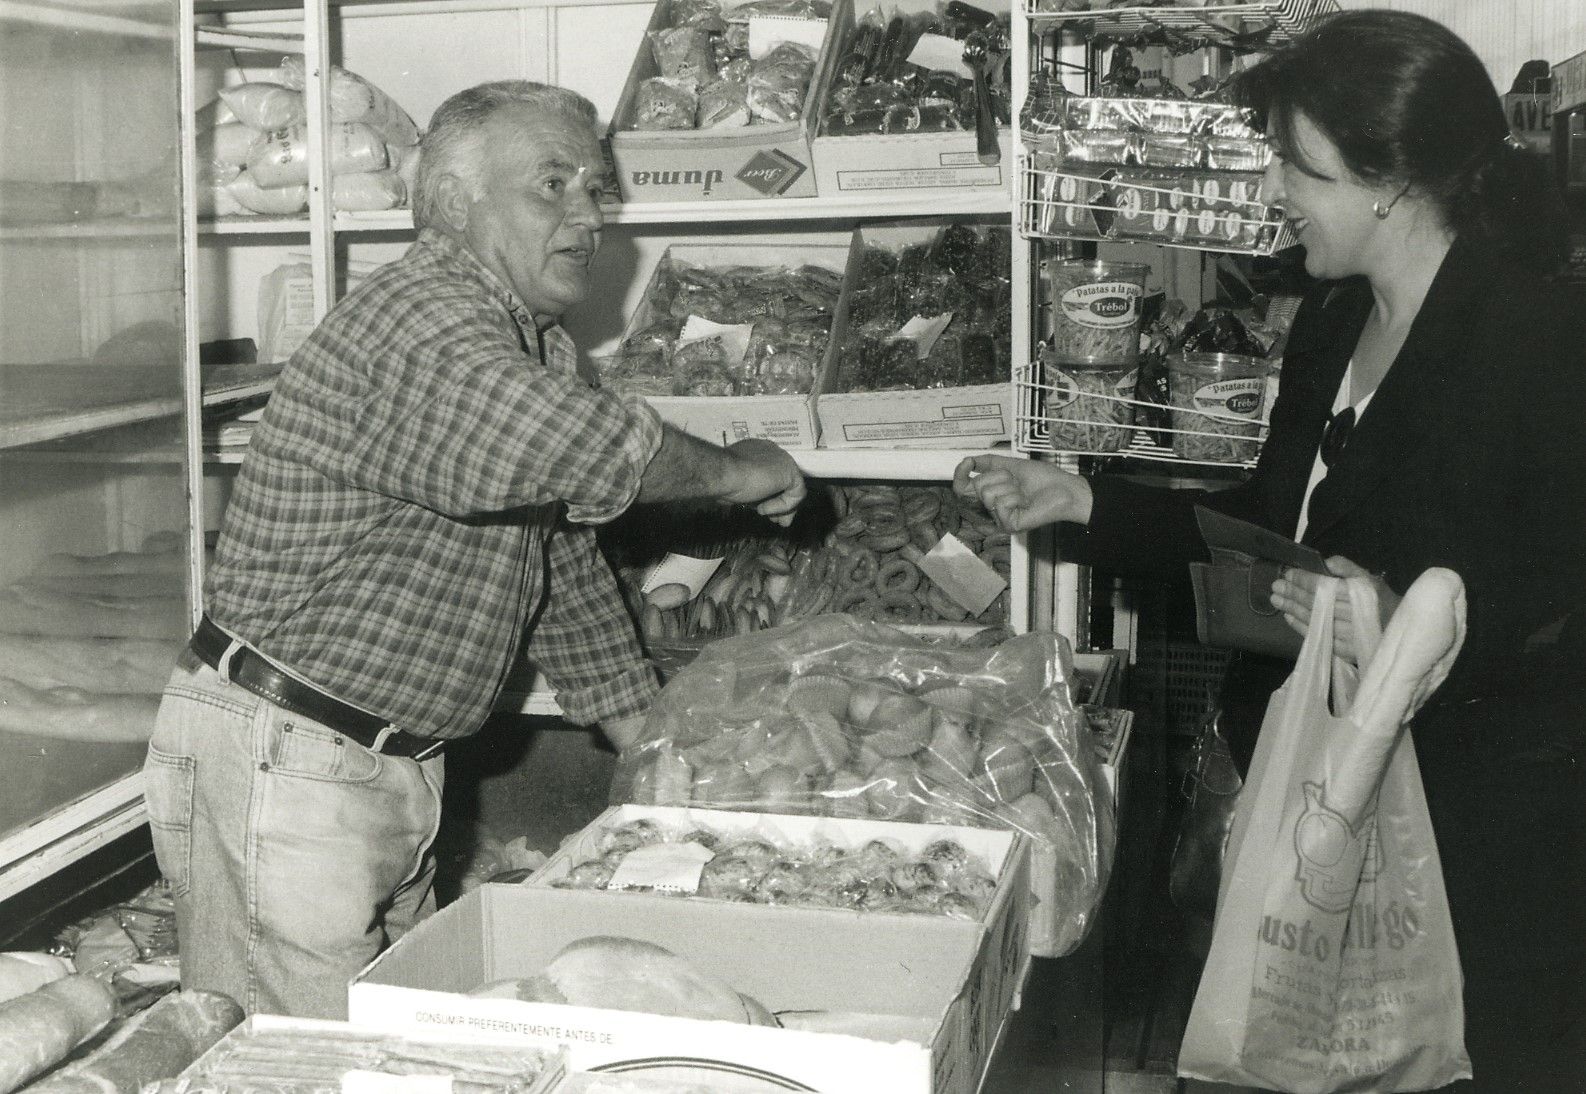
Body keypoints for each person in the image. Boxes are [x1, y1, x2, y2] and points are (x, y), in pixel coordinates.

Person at [956, 11, 1586, 1091]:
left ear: (1386, 177)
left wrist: (1415, 636)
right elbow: (1273, 527)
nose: (1274, 193)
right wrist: (1083, 499)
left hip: (1456, 834)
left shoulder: (1535, 339)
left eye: (1296, 166)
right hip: (1301, 789)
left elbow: (1556, 592)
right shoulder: (1332, 318)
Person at [141, 80, 807, 1020]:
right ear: (454, 203)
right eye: (551, 186)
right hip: (286, 754)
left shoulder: (535, 348)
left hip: (382, 763)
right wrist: (738, 472)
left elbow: (562, 558)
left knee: (395, 1048)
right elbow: (564, 448)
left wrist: (638, 731)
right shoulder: (424, 318)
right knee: (299, 1066)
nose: (588, 214)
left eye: (595, 188)